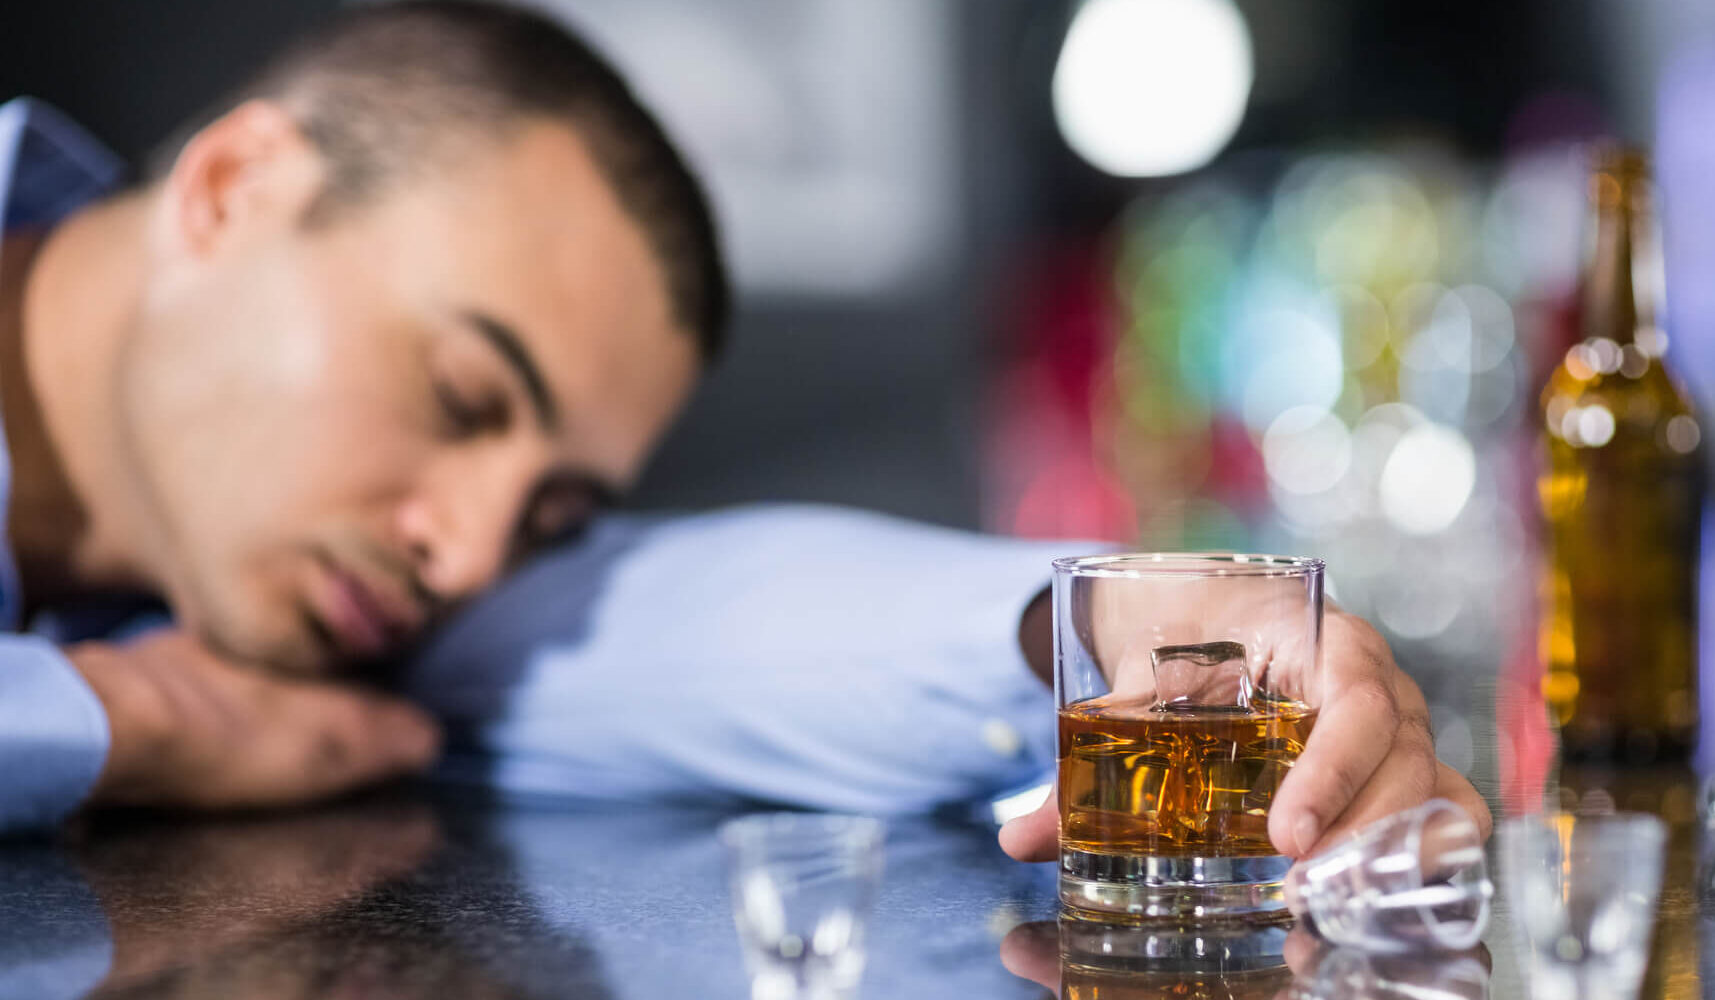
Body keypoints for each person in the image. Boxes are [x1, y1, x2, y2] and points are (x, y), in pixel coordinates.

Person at [0, 0, 1487, 867]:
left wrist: (1110, 626)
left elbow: (657, 624)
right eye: (461, 396)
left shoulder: (299, 582)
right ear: (232, 190)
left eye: (546, 514)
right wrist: (97, 723)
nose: (462, 554)